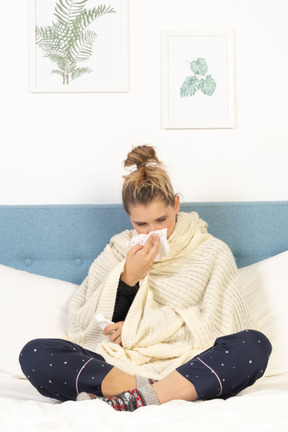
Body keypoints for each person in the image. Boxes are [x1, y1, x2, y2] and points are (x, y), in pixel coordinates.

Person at [19, 145, 272, 411]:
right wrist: (128, 277)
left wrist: (135, 330)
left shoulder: (211, 252)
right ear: (129, 218)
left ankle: (133, 398)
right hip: (120, 366)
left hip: (188, 363)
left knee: (254, 345)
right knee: (36, 353)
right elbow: (89, 323)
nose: (153, 232)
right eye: (141, 224)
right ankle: (155, 392)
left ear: (176, 204)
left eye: (161, 219)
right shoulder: (118, 251)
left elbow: (222, 325)